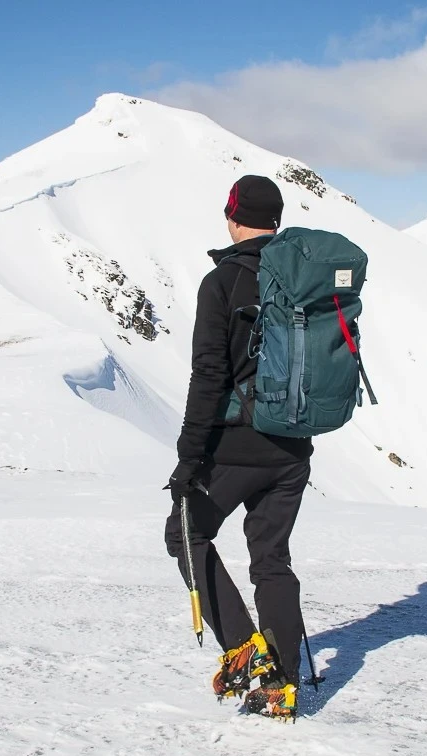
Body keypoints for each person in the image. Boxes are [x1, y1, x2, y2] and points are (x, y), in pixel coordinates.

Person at [164, 175, 313, 720]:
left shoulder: (222, 281)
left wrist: (188, 456)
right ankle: (284, 681)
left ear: (232, 216)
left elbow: (209, 374)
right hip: (294, 445)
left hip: (237, 446)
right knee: (272, 559)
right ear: (276, 219)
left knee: (185, 532)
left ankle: (243, 646)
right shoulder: (306, 277)